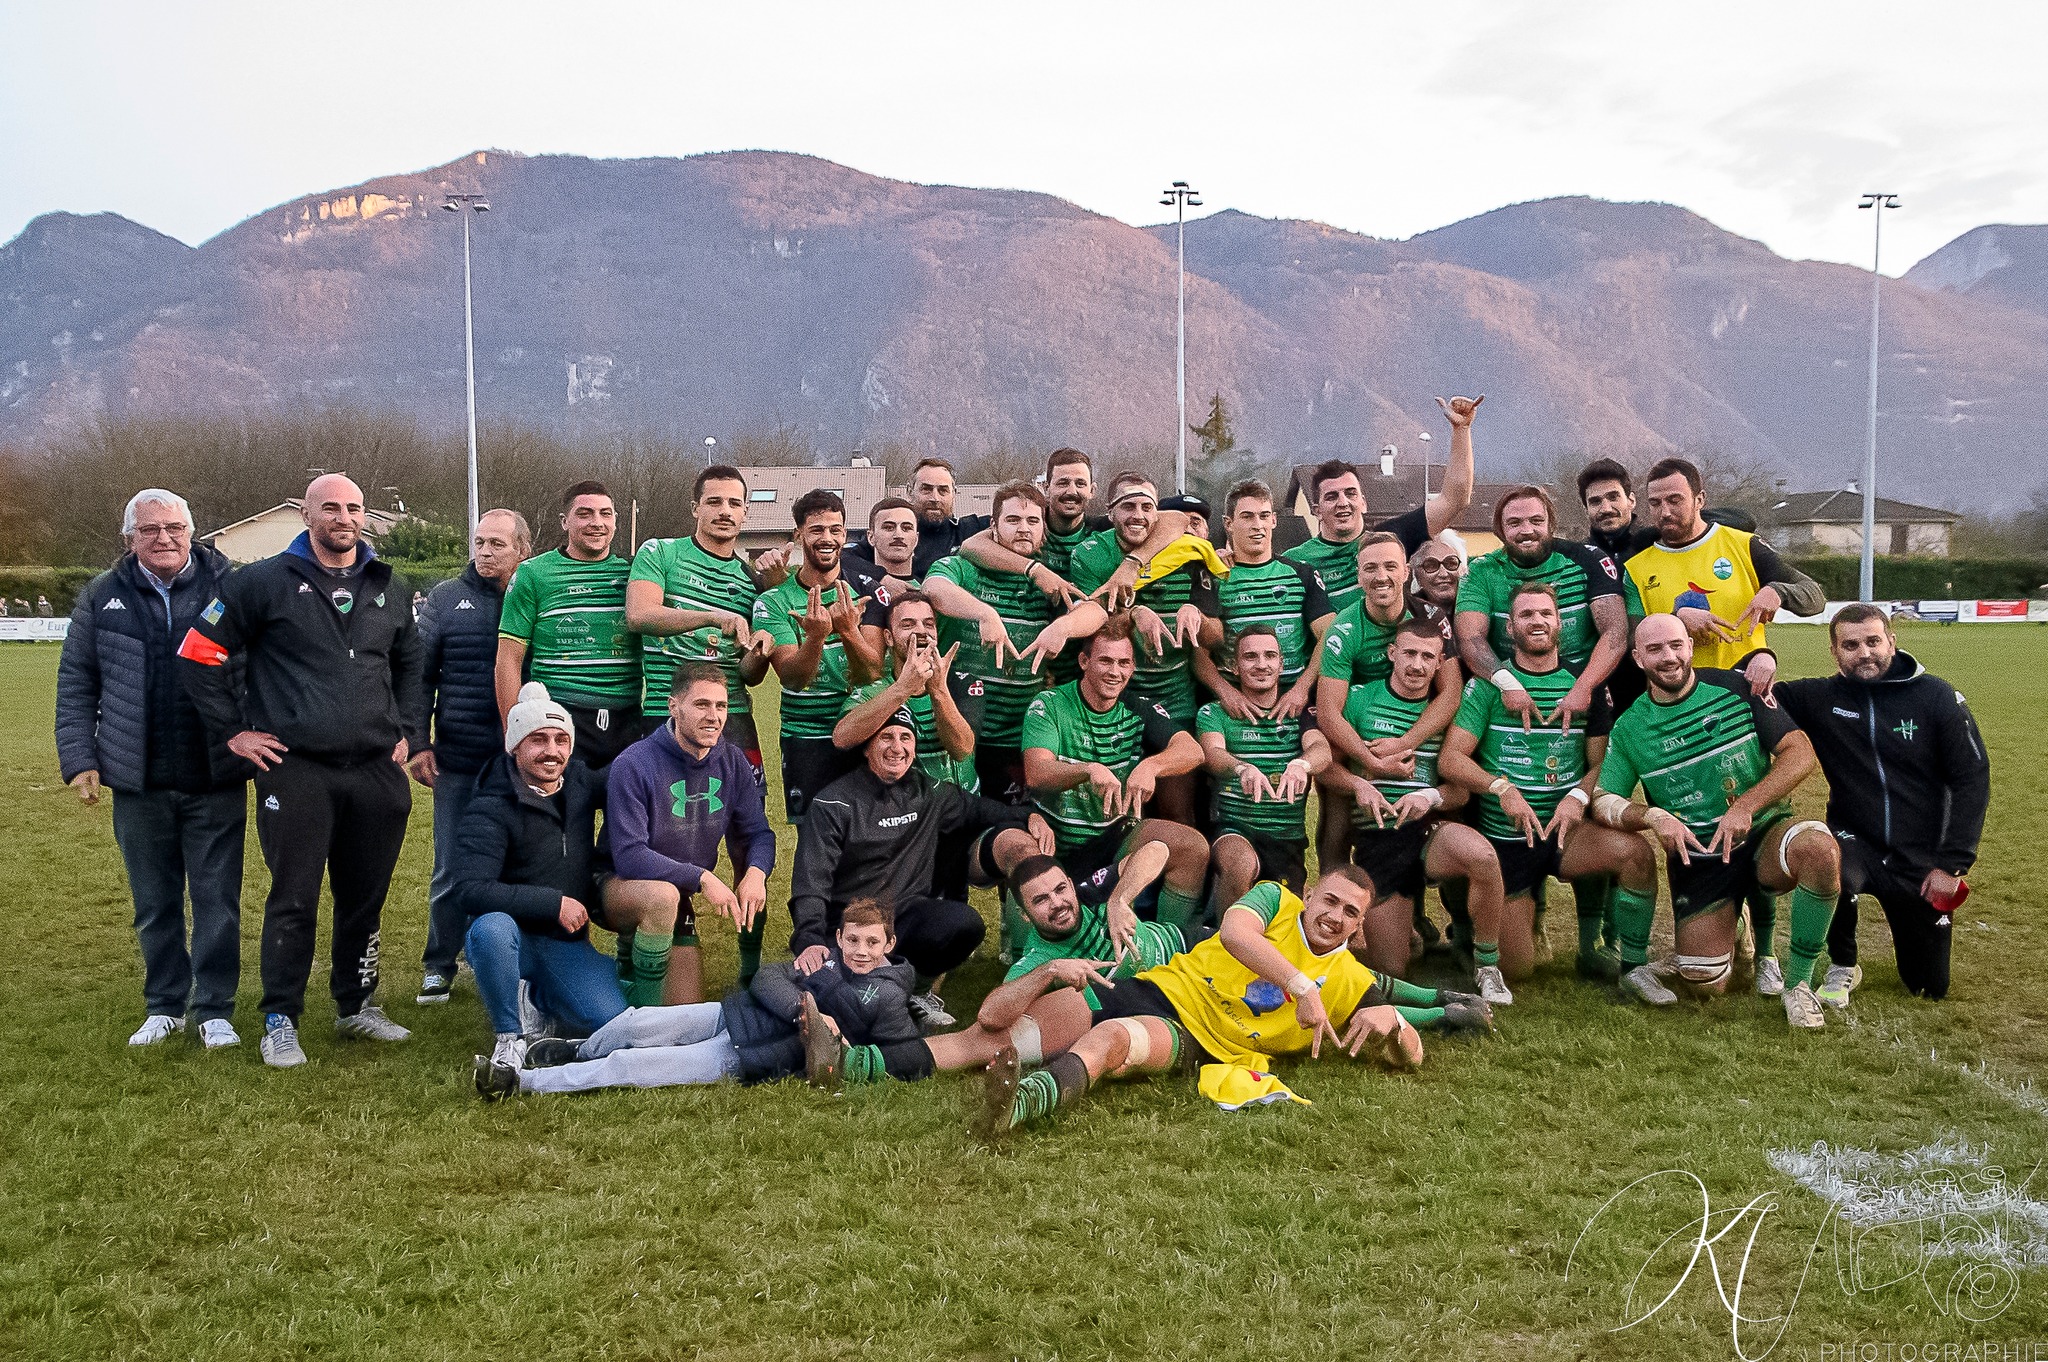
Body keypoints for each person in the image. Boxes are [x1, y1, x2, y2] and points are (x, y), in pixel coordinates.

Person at [178, 474, 423, 1067]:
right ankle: (280, 1019)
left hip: (374, 770)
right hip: (296, 769)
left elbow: (412, 661)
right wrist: (234, 731)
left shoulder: (388, 585)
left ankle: (356, 1005)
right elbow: (198, 653)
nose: (345, 517)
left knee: (364, 898)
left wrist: (411, 733)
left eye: (355, 507)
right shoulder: (259, 582)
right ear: (307, 514)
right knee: (294, 897)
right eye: (331, 507)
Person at [970, 871, 1492, 1137]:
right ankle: (925, 1056)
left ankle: (1018, 1105)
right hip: (1176, 982)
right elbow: (1237, 934)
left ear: (1360, 926)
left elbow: (1406, 1050)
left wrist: (1398, 1023)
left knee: (1111, 1041)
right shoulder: (1273, 901)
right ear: (1308, 894)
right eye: (1328, 901)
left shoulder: (1352, 977)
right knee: (1034, 1027)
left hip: (1204, 1037)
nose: (1334, 915)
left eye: (1349, 912)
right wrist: (1302, 987)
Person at [57, 489, 249, 1049]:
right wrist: (80, 759)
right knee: (154, 902)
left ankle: (214, 1007)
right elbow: (76, 683)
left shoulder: (230, 587)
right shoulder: (102, 597)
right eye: (149, 530)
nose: (163, 538)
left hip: (215, 775)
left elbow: (264, 667)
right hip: (137, 780)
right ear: (129, 539)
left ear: (193, 531)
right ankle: (164, 1004)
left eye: (174, 528)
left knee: (217, 899)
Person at [1586, 614, 1841, 1028]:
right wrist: (1653, 816)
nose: (1668, 657)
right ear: (1637, 658)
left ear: (1689, 646)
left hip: (1762, 832)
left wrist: (1746, 806)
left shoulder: (1738, 687)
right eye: (1654, 649)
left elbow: (1799, 753)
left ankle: (1798, 986)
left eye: (1675, 645)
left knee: (1818, 847)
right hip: (1701, 855)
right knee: (1705, 984)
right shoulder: (1631, 726)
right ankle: (1738, 927)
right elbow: (1603, 799)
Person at [1744, 605, 1990, 1004]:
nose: (1864, 653)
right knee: (1830, 863)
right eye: (1851, 644)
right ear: (1835, 652)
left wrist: (1952, 865)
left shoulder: (1936, 696)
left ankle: (1916, 947)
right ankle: (1843, 962)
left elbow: (1972, 779)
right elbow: (1748, 694)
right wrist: (1759, 660)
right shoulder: (1818, 697)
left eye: (1873, 641)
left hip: (1922, 857)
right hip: (1854, 838)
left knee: (1929, 987)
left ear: (1892, 641)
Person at [475, 899, 935, 1098]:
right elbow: (767, 978)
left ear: (889, 945)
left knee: (633, 1066)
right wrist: (803, 1009)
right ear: (839, 936)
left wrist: (844, 1050)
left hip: (750, 1052)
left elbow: (906, 1056)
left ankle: (522, 1084)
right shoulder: (825, 958)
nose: (860, 951)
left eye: (872, 943)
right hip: (732, 1014)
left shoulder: (888, 995)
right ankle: (576, 1050)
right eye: (853, 940)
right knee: (637, 1023)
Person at [790, 707, 1054, 1029]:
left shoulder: (928, 792)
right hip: (848, 925)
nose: (897, 747)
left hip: (903, 917)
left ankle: (914, 990)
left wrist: (1029, 817)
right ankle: (860, 995)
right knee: (841, 1008)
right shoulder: (834, 803)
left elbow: (981, 810)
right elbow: (811, 880)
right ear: (867, 746)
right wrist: (810, 939)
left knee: (964, 924)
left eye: (906, 737)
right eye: (886, 737)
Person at [1440, 583, 1643, 988]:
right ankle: (1473, 934)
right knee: (1518, 970)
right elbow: (1451, 759)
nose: (1537, 622)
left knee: (1633, 852)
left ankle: (1616, 959)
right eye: (1526, 615)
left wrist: (1578, 796)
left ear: (1559, 623)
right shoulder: (1488, 686)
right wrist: (1502, 789)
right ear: (1510, 628)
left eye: (1545, 614)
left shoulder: (1585, 685)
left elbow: (1601, 764)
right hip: (1507, 838)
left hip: (1565, 832)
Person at [1324, 619, 1507, 997]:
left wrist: (1429, 797)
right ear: (1392, 654)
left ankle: (1487, 965)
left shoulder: (1445, 713)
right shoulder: (1359, 699)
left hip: (1428, 831)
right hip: (1378, 839)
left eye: (1428, 657)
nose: (1417, 665)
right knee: (1392, 968)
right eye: (1408, 653)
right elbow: (1325, 766)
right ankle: (1409, 929)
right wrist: (1359, 783)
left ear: (1440, 663)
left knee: (1483, 857)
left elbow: (1460, 792)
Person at [450, 680, 615, 1074]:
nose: (552, 751)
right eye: (538, 739)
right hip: (511, 938)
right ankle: (510, 1038)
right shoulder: (490, 805)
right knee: (491, 930)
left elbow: (632, 771)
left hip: (564, 942)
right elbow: (469, 889)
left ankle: (538, 999)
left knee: (609, 1020)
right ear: (515, 745)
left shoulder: (578, 783)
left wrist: (678, 731)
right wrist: (552, 902)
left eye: (561, 739)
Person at [407, 507, 531, 1005]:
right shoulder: (445, 598)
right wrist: (418, 741)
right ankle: (440, 962)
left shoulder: (535, 593)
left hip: (518, 760)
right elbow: (418, 675)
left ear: (523, 548)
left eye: (497, 544)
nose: (484, 552)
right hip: (458, 757)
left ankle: (512, 960)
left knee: (519, 865)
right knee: (450, 864)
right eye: (479, 542)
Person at [1020, 619, 1211, 936]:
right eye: (1105, 660)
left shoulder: (1137, 708)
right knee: (1026, 859)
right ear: (1084, 662)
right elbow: (1037, 773)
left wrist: (1151, 766)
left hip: (1116, 836)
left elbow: (1193, 751)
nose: (1115, 672)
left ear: (1133, 667)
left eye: (1124, 663)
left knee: (1193, 847)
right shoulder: (1049, 704)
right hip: (1058, 840)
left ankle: (1170, 944)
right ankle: (1023, 950)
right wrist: (1088, 770)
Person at [599, 664, 775, 1000]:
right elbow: (629, 857)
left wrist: (755, 873)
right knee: (662, 897)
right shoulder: (634, 763)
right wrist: (704, 879)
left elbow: (760, 834)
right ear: (673, 706)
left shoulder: (732, 760)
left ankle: (750, 976)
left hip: (677, 893)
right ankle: (642, 1017)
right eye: (701, 705)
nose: (713, 716)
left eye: (721, 706)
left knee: (686, 1003)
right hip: (616, 886)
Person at [923, 481, 1099, 803]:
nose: (1023, 529)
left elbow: (1095, 612)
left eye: (1033, 521)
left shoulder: (1047, 584)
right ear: (993, 526)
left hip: (1019, 739)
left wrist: (1064, 627)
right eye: (1013, 520)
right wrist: (984, 612)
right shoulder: (965, 569)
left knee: (1011, 830)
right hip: (959, 734)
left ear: (1043, 530)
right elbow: (933, 588)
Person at [1314, 530, 1462, 872]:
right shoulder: (1344, 627)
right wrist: (1371, 761)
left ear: (1406, 571)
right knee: (1338, 805)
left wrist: (1406, 743)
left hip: (1413, 715)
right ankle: (1330, 884)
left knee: (1437, 808)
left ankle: (1426, 906)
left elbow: (1451, 691)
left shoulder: (1432, 618)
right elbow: (1329, 711)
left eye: (1390, 566)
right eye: (1370, 568)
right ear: (1358, 574)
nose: (1381, 577)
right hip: (1358, 715)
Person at [625, 465, 774, 777]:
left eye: (734, 504)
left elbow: (749, 675)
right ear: (695, 508)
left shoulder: (752, 581)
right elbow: (639, 615)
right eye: (714, 502)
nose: (724, 512)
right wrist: (711, 617)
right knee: (660, 821)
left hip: (732, 717)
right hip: (667, 712)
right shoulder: (660, 552)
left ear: (746, 512)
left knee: (746, 822)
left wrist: (759, 655)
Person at [751, 489, 885, 820]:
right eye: (816, 530)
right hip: (806, 739)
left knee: (869, 842)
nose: (827, 538)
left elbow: (871, 674)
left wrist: (850, 631)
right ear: (798, 534)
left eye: (835, 530)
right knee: (813, 845)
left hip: (862, 732)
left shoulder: (865, 594)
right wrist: (816, 638)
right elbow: (794, 679)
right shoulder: (773, 601)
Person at [1282, 395, 1481, 616]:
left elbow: (1455, 499)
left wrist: (1462, 430)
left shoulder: (1392, 538)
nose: (1343, 502)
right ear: (1316, 510)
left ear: (1364, 503)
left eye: (1351, 493)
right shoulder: (1295, 561)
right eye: (1331, 497)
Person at [495, 481, 642, 772]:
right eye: (585, 514)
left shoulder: (636, 573)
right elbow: (508, 660)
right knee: (566, 817)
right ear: (565, 521)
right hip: (558, 719)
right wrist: (515, 730)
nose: (597, 523)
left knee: (628, 818)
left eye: (605, 514)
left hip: (628, 720)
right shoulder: (533, 573)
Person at [1453, 485, 1626, 728]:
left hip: (1580, 694)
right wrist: (1509, 684)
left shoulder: (1588, 560)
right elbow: (1470, 639)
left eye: (1536, 520)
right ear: (1500, 530)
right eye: (1514, 523)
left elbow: (1616, 631)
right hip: (1509, 694)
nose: (1527, 531)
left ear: (1551, 524)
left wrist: (1585, 686)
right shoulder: (1481, 570)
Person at [1067, 473, 1221, 736]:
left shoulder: (1187, 553)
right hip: (1116, 691)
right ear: (1111, 512)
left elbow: (1216, 638)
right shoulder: (1089, 554)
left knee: (1180, 766)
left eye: (1146, 507)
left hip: (1176, 695)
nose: (1138, 515)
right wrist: (1134, 614)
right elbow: (1093, 631)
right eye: (1128, 506)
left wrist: (1196, 614)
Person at [1197, 626, 1331, 905]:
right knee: (1239, 864)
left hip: (1286, 839)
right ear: (1234, 666)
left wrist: (1300, 766)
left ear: (1281, 664)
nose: (1261, 664)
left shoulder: (1300, 712)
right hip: (1234, 829)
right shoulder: (1214, 712)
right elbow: (1212, 753)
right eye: (1250, 657)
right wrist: (1241, 768)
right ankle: (1223, 941)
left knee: (1280, 926)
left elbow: (1321, 751)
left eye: (1270, 656)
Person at [1199, 479, 1333, 725]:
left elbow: (1330, 636)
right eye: (1247, 517)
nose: (1257, 525)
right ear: (1229, 523)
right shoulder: (1213, 578)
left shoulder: (1302, 574)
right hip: (1236, 705)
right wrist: (1226, 693)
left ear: (1274, 519)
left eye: (1263, 516)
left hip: (1294, 704)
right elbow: (1198, 652)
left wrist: (1301, 689)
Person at [835, 590, 978, 790]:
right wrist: (902, 688)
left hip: (961, 809)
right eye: (908, 624)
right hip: (907, 813)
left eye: (928, 624)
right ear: (889, 638)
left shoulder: (962, 683)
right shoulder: (874, 691)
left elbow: (962, 749)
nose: (921, 631)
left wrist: (938, 691)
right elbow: (842, 738)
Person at [902, 458, 990, 576]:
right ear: (909, 491)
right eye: (926, 489)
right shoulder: (893, 535)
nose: (935, 498)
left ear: (954, 493)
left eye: (943, 490)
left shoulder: (972, 530)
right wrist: (882, 576)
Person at [841, 495, 921, 601]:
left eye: (906, 528)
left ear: (916, 539)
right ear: (871, 537)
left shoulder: (927, 589)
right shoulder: (849, 588)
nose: (898, 535)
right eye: (888, 527)